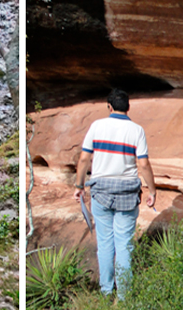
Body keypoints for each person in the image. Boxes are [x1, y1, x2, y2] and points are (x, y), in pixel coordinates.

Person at [73, 89, 156, 299]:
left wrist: (79, 186)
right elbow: (143, 163)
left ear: (109, 107)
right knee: (124, 245)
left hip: (100, 190)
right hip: (127, 192)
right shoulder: (137, 130)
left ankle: (106, 292)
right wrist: (152, 190)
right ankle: (125, 297)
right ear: (128, 108)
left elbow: (84, 160)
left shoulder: (96, 126)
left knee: (105, 243)